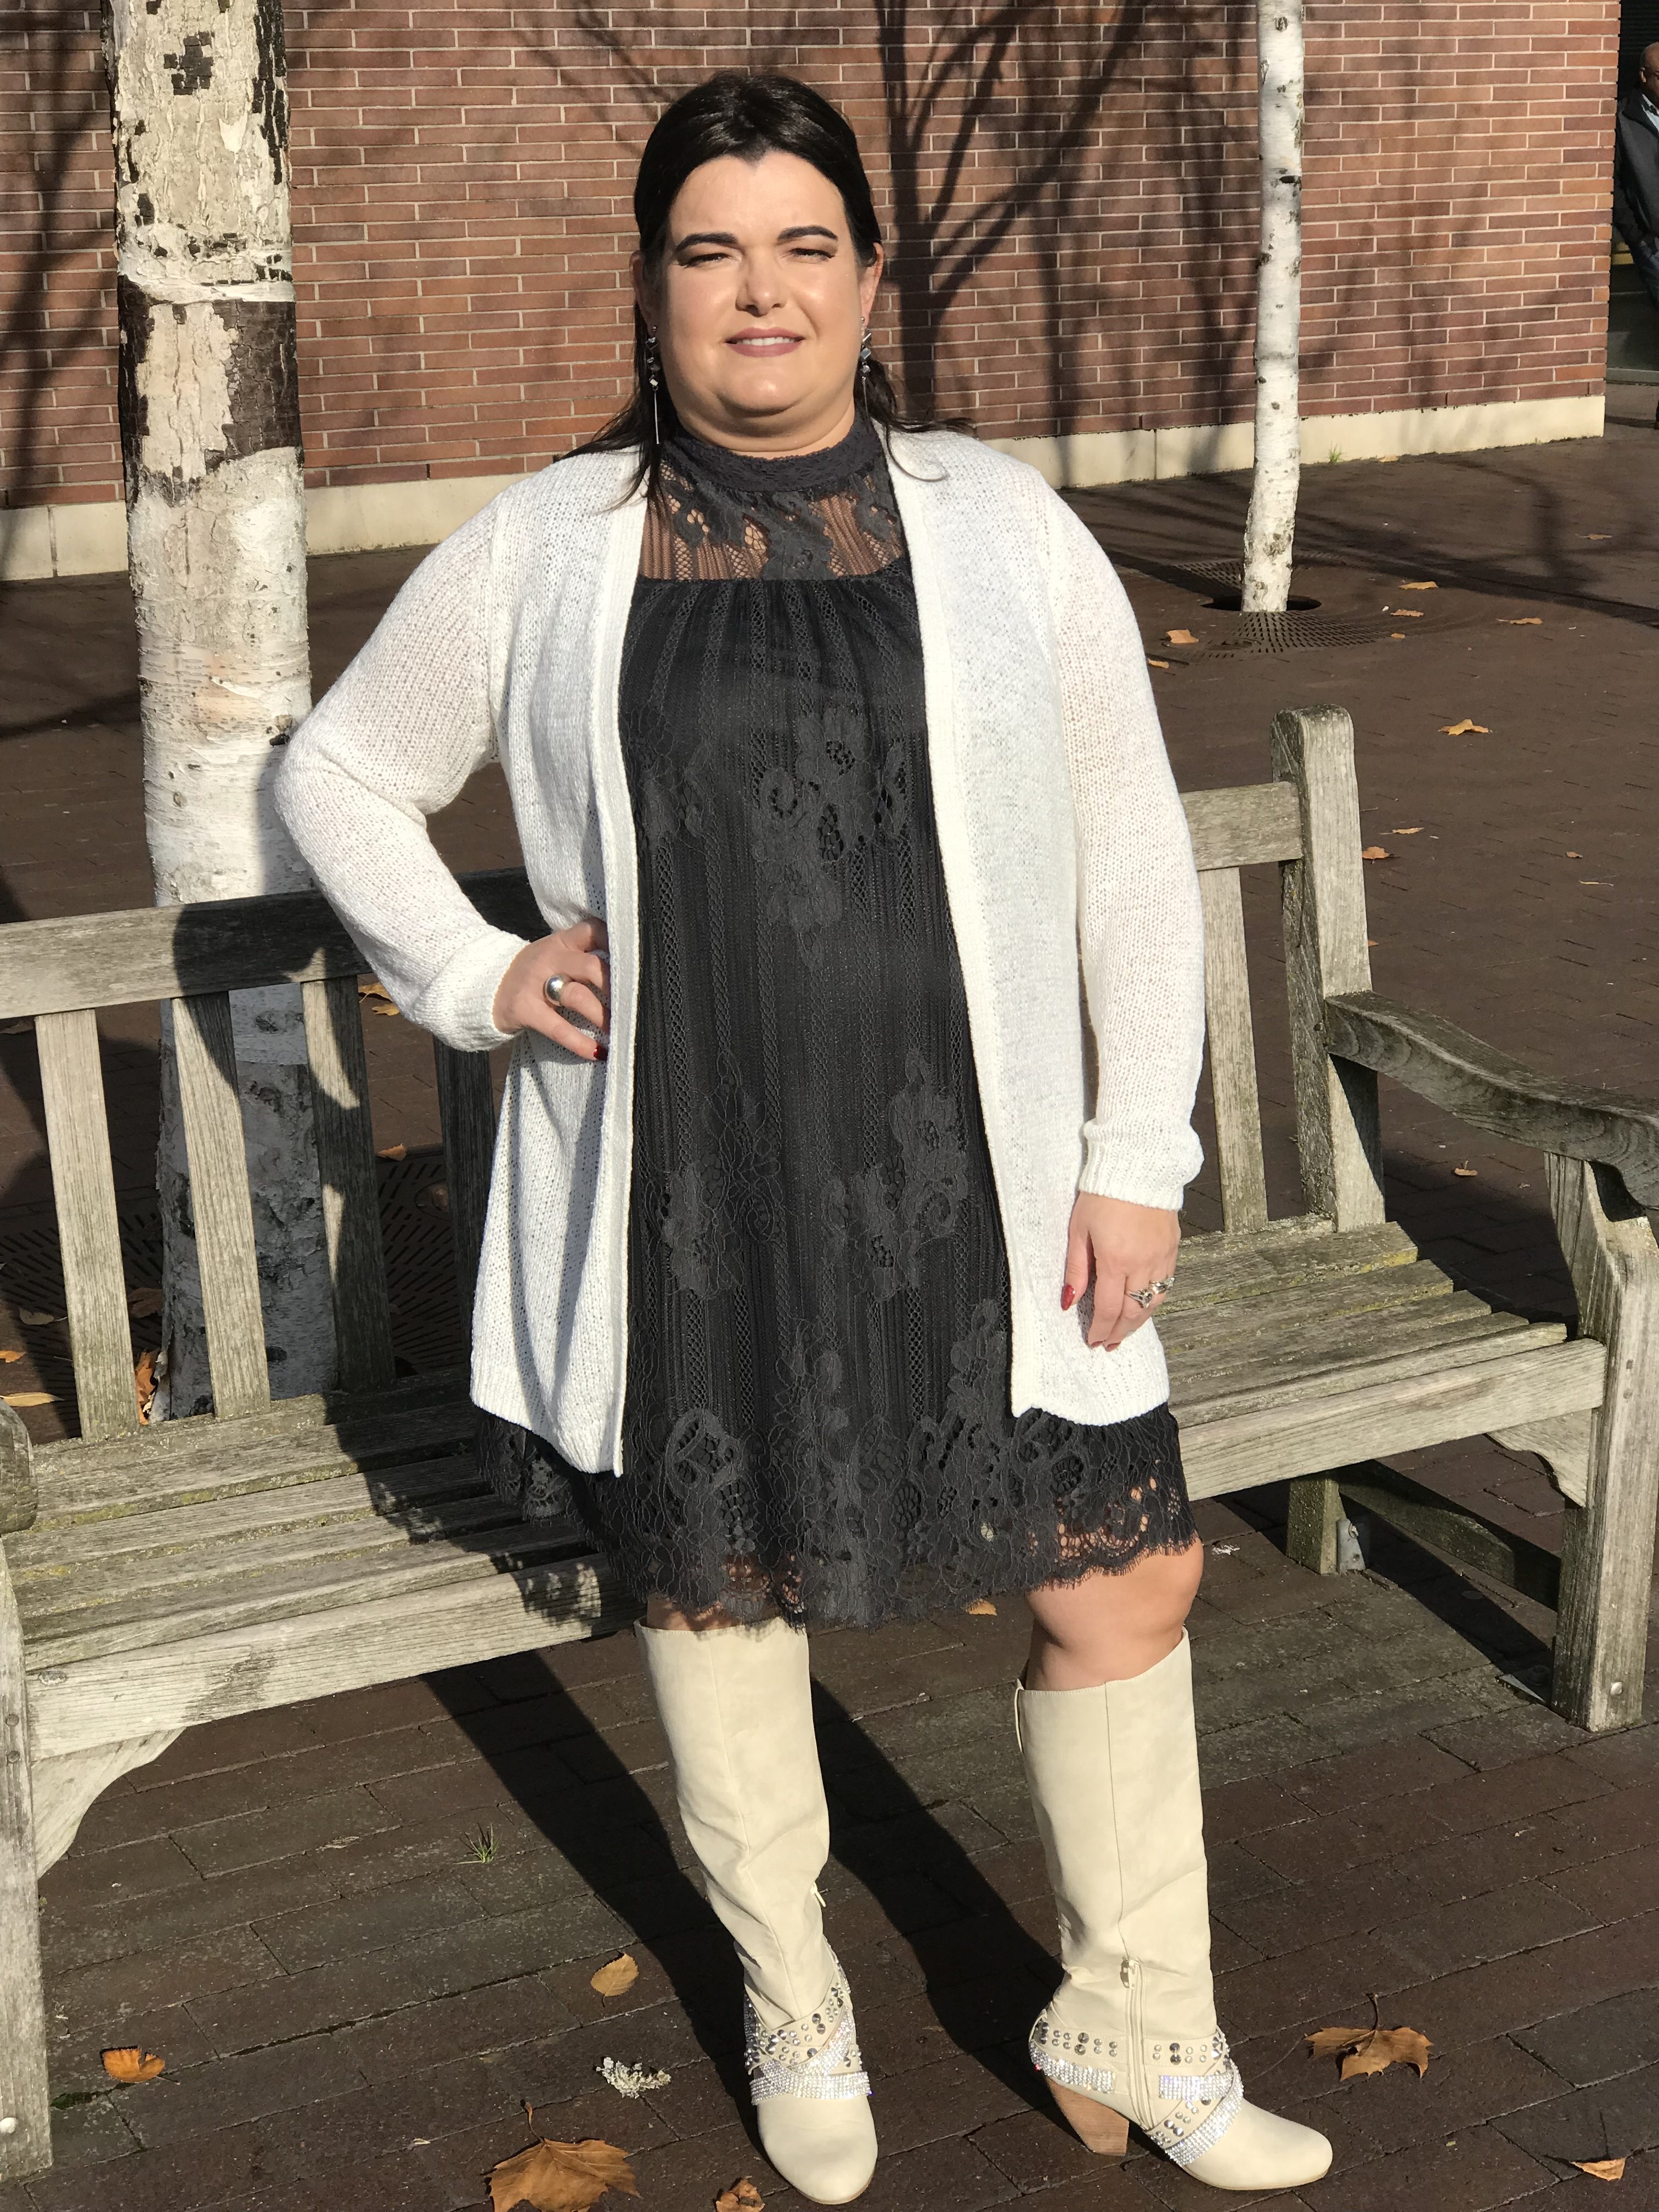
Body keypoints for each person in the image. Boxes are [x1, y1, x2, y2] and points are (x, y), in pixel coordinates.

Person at [275, 71, 1331, 2205]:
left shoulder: (1003, 527)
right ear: (652, 286)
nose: (758, 292)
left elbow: (1131, 851)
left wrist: (1138, 1152)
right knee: (722, 1587)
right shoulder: (547, 548)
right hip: (692, 1189)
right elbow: (338, 773)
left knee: (1126, 1579)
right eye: (710, 251)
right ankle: (796, 2003)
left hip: (990, 1188)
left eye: (801, 247)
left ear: (867, 277)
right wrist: (474, 974)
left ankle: (1137, 2016)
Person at [1613, 43, 1659, 314]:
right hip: (1654, 246)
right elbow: (1615, 185)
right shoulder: (1623, 119)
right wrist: (1638, 239)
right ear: (1644, 75)